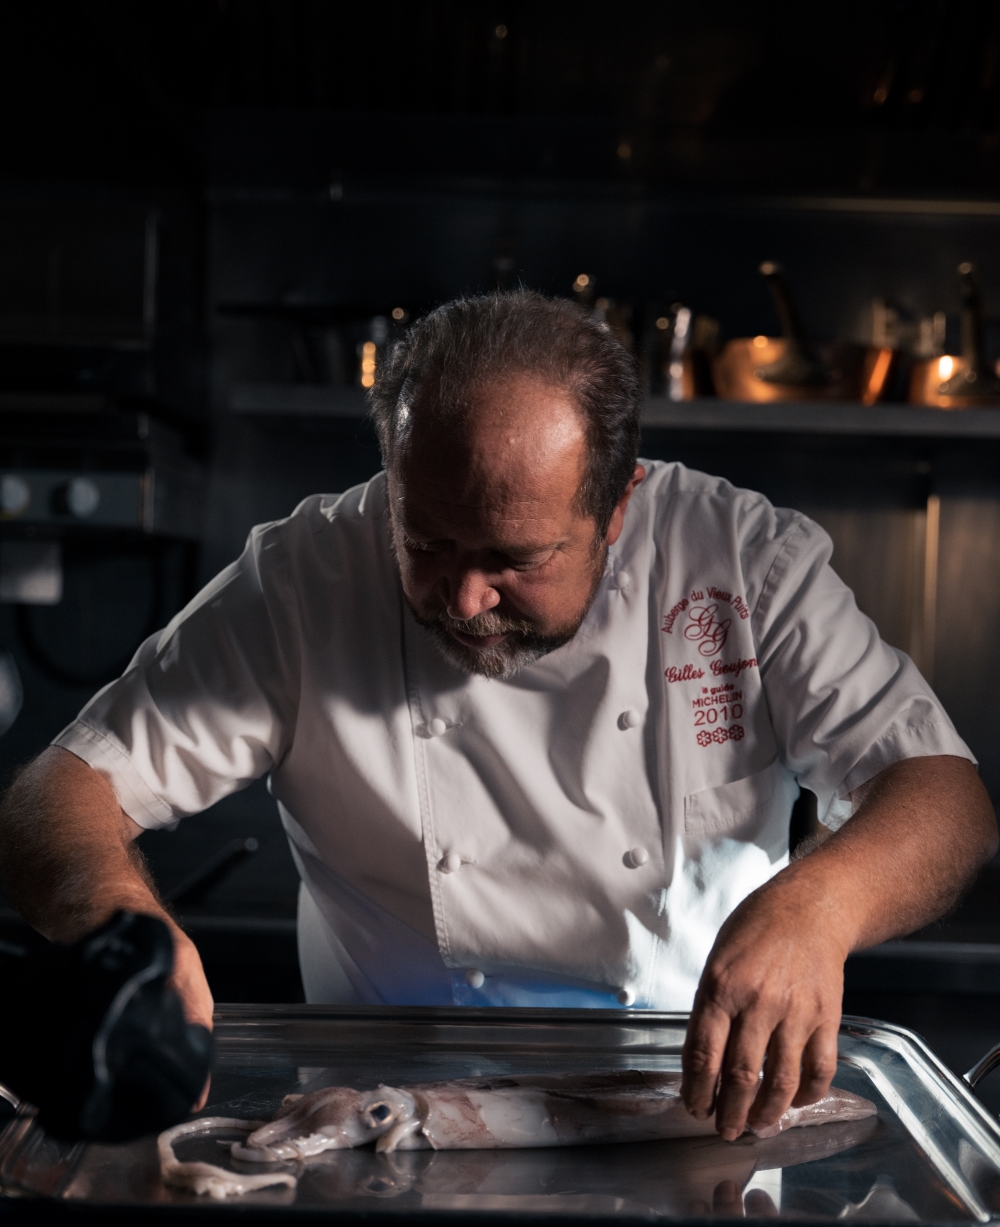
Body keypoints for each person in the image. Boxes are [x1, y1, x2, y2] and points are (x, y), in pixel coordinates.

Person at [0, 290, 994, 1143]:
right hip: (370, 1131)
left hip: (695, 1123)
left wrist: (816, 909)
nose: (465, 595)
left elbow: (943, 799)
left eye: (514, 560)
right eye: (427, 542)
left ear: (617, 507)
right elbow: (58, 792)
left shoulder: (738, 563)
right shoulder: (308, 573)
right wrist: (118, 921)